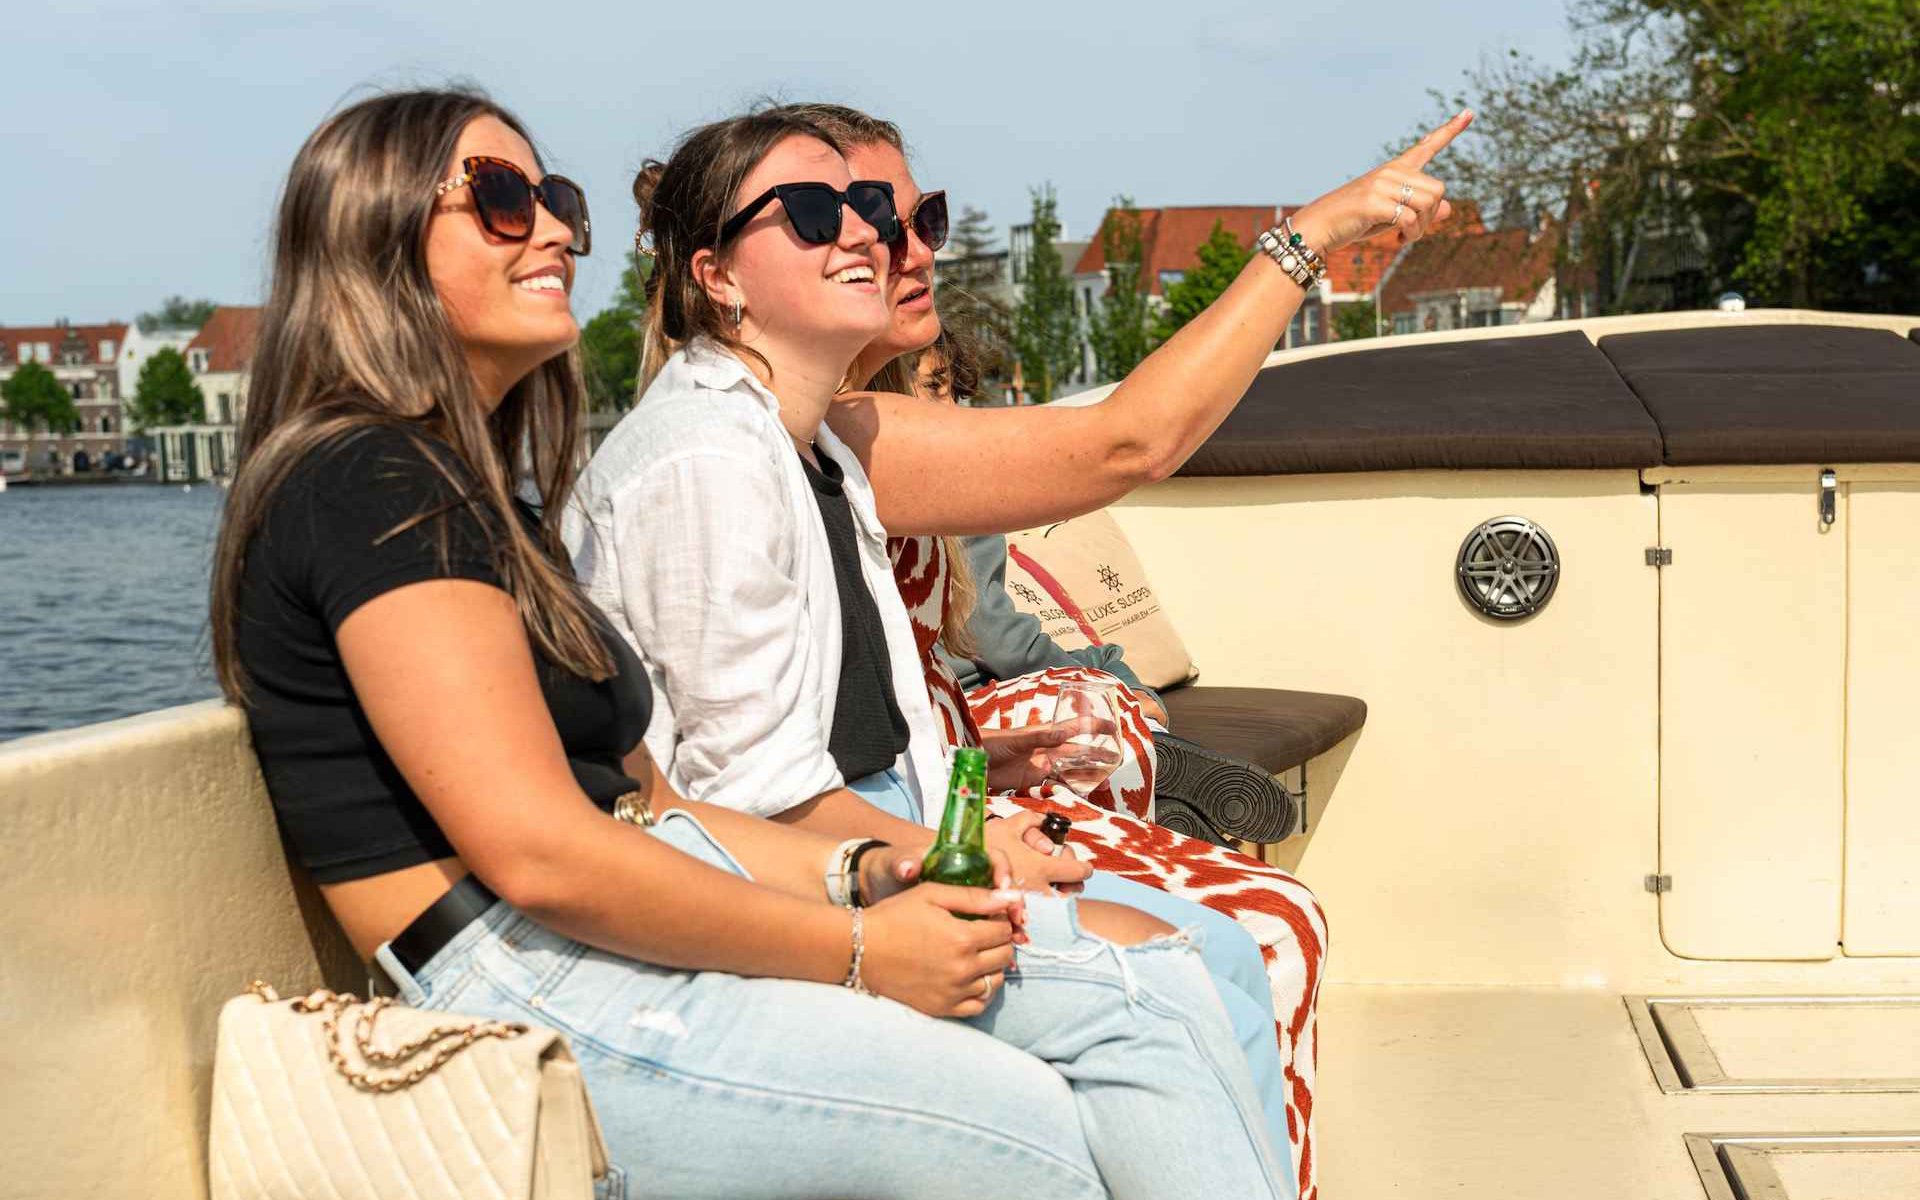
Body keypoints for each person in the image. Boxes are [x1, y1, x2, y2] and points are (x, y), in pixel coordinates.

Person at [209, 87, 1291, 1199]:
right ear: (371, 231)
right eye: (498, 197)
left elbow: (657, 808)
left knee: (1149, 991)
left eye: (555, 197)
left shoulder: (480, 497)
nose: (553, 230)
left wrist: (880, 869)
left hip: (620, 909)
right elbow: (541, 853)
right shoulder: (370, 483)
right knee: (1027, 1127)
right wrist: (864, 950)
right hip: (517, 976)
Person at [575, 101, 1467, 1200]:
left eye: (889, 213)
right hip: (811, 877)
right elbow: (745, 795)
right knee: (1180, 980)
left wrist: (972, 795)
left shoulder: (811, 441)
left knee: (1226, 955)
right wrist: (1308, 239)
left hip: (891, 808)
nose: (876, 238)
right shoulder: (710, 461)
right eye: (818, 211)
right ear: (717, 274)